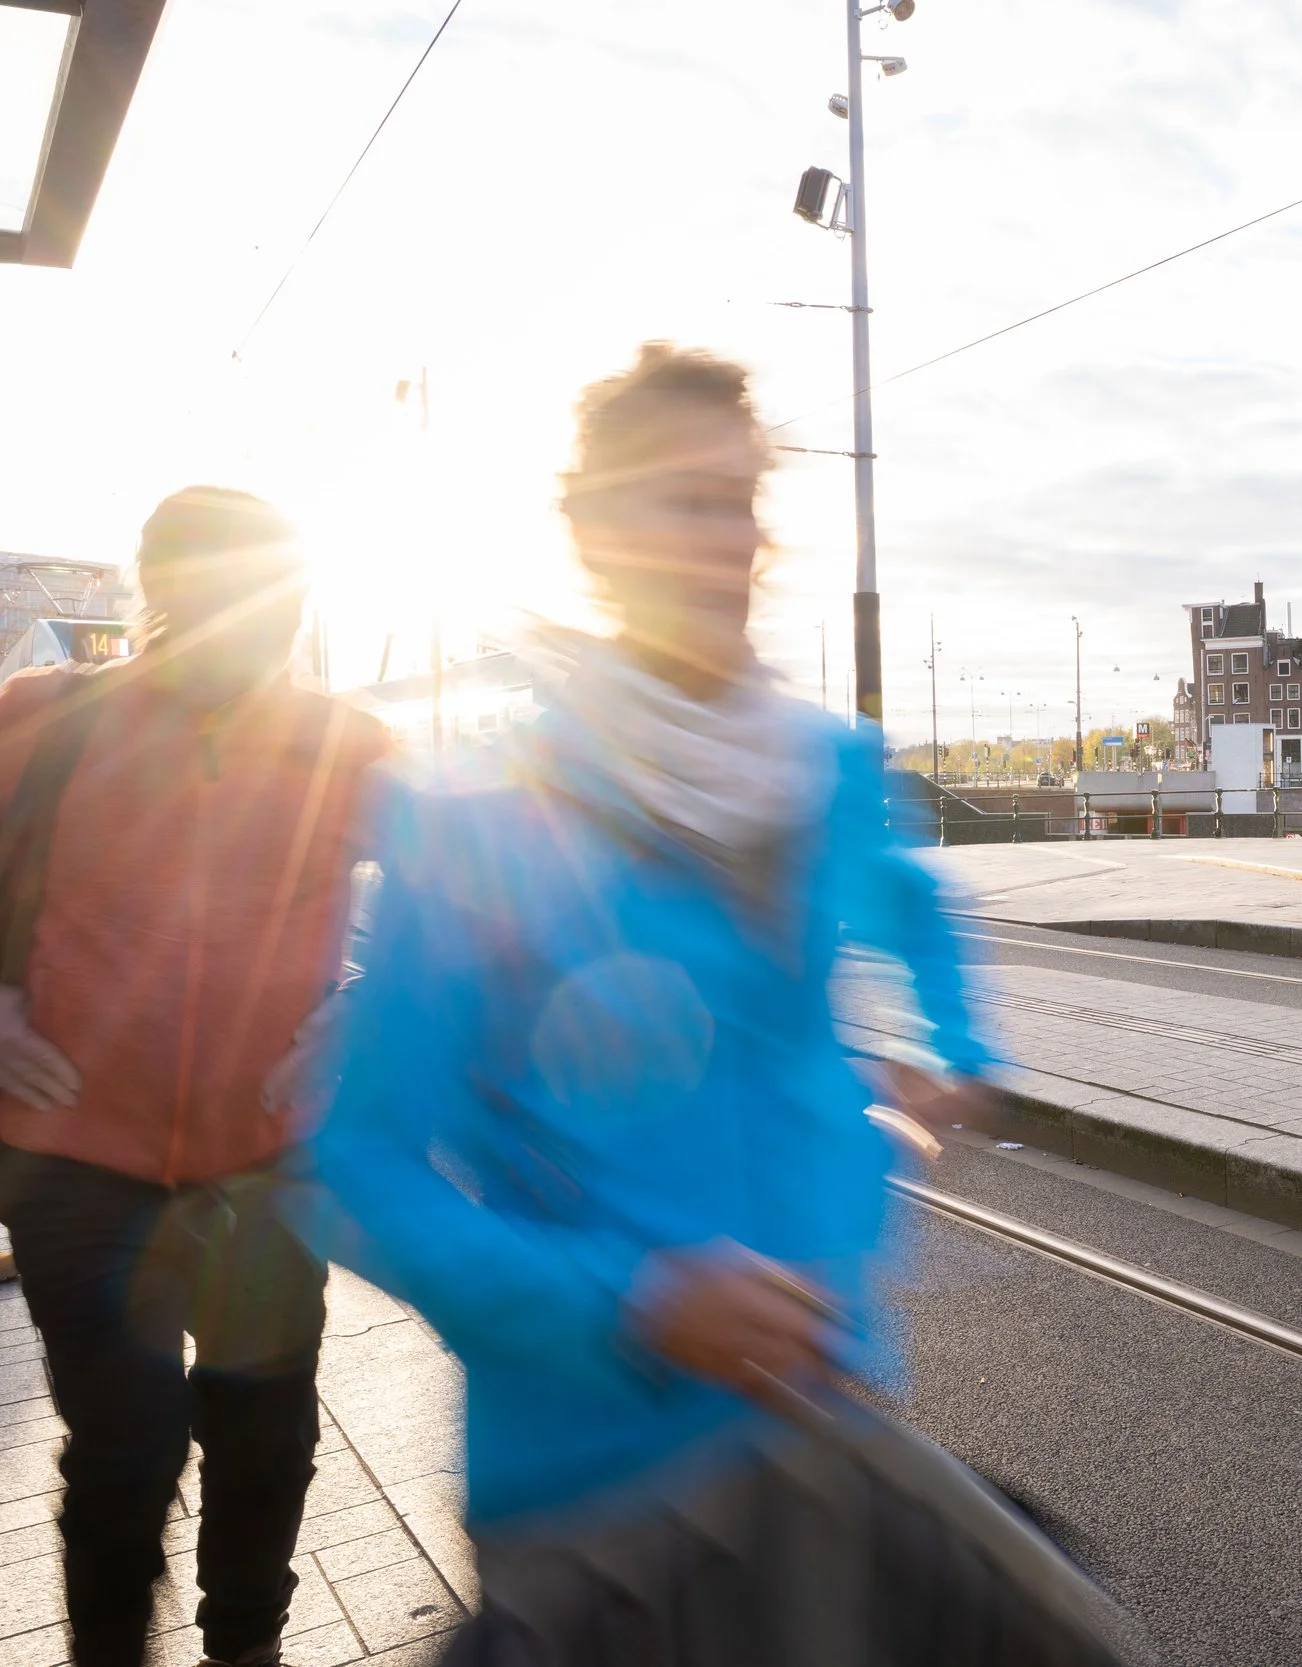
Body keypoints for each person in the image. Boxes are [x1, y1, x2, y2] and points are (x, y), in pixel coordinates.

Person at [307, 346, 1041, 1652]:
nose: (723, 540)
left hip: (814, 1410)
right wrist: (630, 1299)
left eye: (739, 501)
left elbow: (911, 899)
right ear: (592, 532)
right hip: (593, 1490)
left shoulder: (823, 767)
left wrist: (957, 1041)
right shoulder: (476, 819)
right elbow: (350, 1163)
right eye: (679, 501)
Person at [0, 488, 389, 1667]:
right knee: (127, 1447)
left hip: (267, 1155)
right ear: (158, 589)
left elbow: (477, 906)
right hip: (71, 1153)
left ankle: (244, 1646)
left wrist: (367, 1004)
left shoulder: (347, 745)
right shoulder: (44, 719)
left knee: (267, 1432)